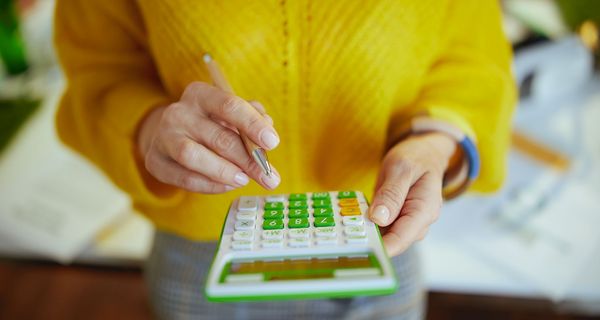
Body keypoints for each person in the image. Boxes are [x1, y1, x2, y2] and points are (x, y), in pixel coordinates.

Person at [53, 1, 516, 319]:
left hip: (376, 241)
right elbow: (99, 67)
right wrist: (151, 126)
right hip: (205, 261)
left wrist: (436, 142)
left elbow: (473, 59)